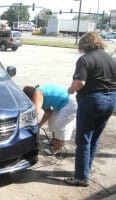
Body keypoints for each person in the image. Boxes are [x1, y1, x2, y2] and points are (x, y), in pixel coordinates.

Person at [65, 32, 116, 187]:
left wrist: (71, 89)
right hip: (111, 100)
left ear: (84, 45)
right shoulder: (111, 59)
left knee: (83, 140)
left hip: (92, 101)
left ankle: (80, 177)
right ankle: (86, 169)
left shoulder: (85, 59)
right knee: (94, 138)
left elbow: (80, 83)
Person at [23, 84, 77, 155]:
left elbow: (35, 113)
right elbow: (48, 113)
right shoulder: (40, 96)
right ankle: (54, 141)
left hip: (69, 102)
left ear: (29, 96)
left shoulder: (37, 93)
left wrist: (27, 126)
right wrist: (39, 125)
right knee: (52, 122)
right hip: (62, 102)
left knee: (60, 126)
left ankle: (57, 149)